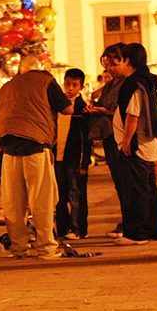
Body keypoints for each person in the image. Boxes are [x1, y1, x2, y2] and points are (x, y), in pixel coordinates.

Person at [0, 55, 72, 260]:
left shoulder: (8, 86)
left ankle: (18, 248)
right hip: (35, 145)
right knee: (42, 199)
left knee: (13, 202)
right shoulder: (45, 81)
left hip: (8, 147)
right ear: (41, 68)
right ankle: (46, 247)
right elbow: (67, 108)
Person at [106, 43, 157, 245]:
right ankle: (151, 229)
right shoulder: (145, 80)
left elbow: (133, 114)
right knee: (147, 188)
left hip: (137, 145)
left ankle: (136, 233)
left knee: (136, 190)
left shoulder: (134, 84)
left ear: (127, 60)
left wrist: (126, 142)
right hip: (147, 144)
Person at [87, 61, 126, 237]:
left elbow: (125, 111)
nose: (108, 69)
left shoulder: (126, 83)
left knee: (126, 181)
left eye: (111, 64)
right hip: (110, 135)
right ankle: (127, 221)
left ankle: (131, 223)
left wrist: (105, 111)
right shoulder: (110, 85)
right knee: (120, 182)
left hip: (119, 135)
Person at [55, 68, 91, 240]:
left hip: (74, 158)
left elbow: (86, 139)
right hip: (57, 157)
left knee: (76, 194)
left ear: (81, 87)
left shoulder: (82, 109)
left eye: (74, 85)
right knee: (59, 195)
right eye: (67, 84)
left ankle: (77, 228)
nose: (70, 88)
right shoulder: (57, 106)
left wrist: (84, 162)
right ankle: (61, 228)